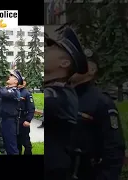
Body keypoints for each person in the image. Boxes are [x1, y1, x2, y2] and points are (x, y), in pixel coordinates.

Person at [69, 49, 126, 180]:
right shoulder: (63, 96)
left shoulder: (101, 102)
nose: (73, 65)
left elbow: (114, 149)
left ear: (92, 70)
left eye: (79, 62)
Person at [44, 27, 88, 180]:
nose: (45, 50)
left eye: (52, 48)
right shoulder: (54, 91)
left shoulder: (61, 95)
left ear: (64, 63)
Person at [0, 70, 23, 155]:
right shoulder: (8, 89)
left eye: (11, 75)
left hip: (10, 122)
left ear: (16, 81)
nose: (9, 76)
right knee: (7, 146)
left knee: (12, 147)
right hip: (5, 121)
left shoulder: (14, 91)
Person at [17, 78, 35, 155]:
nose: (20, 83)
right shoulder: (14, 92)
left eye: (22, 81)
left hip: (23, 120)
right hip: (15, 121)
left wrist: (28, 120)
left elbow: (31, 108)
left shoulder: (27, 93)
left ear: (25, 83)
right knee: (17, 143)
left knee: (26, 143)